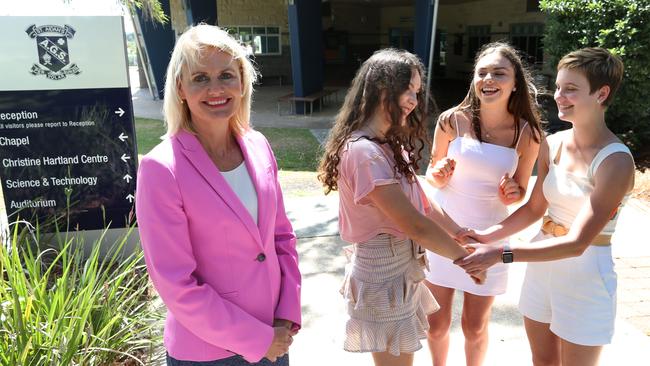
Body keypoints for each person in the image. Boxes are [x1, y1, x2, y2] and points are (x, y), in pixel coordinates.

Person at [455, 47, 634, 366]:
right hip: (541, 267)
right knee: (542, 362)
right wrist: (487, 235)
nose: (559, 96)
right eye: (559, 87)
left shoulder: (616, 161)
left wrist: (501, 254)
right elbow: (535, 208)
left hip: (586, 276)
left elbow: (579, 244)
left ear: (601, 93)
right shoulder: (552, 143)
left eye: (571, 90)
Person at [135, 24, 301, 366]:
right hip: (208, 353)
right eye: (200, 78)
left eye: (226, 74)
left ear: (242, 82)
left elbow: (281, 237)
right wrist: (258, 339)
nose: (216, 89)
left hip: (275, 336)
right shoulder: (160, 169)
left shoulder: (258, 146)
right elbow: (176, 283)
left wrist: (286, 315)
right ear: (181, 87)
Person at [318, 48, 484, 366]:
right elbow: (414, 224)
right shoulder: (364, 152)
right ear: (383, 87)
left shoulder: (387, 145)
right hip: (382, 272)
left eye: (417, 92)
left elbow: (421, 203)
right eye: (408, 89)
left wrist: (459, 232)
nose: (413, 99)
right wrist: (465, 260)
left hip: (401, 267)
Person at [423, 42, 542, 366]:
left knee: (474, 327)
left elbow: (520, 191)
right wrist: (438, 174)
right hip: (444, 232)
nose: (488, 79)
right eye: (482, 72)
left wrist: (512, 193)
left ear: (514, 82)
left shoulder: (527, 133)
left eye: (499, 73)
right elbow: (432, 177)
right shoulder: (451, 120)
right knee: (435, 325)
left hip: (490, 236)